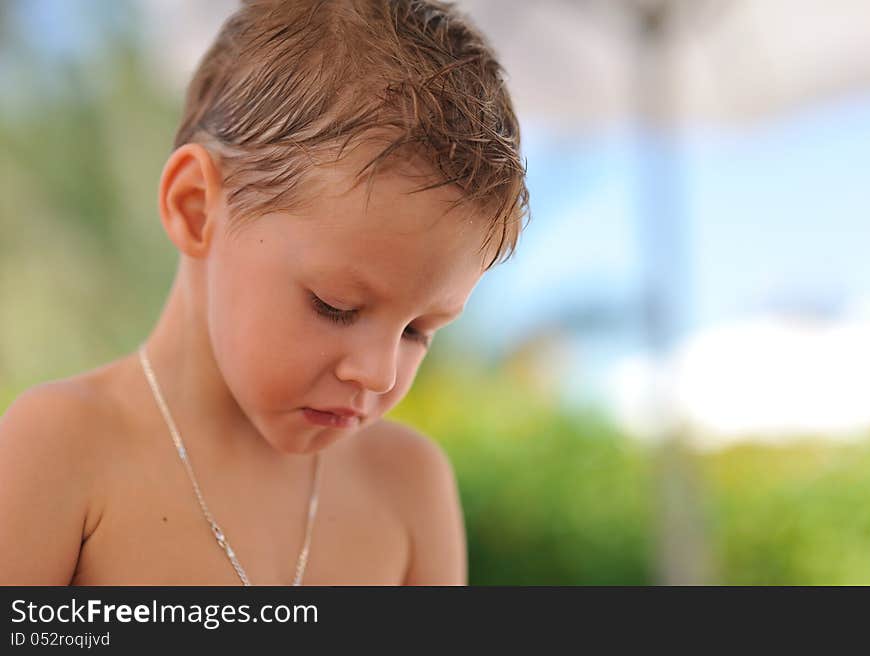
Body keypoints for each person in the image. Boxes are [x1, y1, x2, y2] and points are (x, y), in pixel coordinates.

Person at [0, 0, 529, 585]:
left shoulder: (408, 489)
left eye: (417, 331)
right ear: (197, 209)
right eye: (336, 305)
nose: (379, 375)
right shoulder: (61, 451)